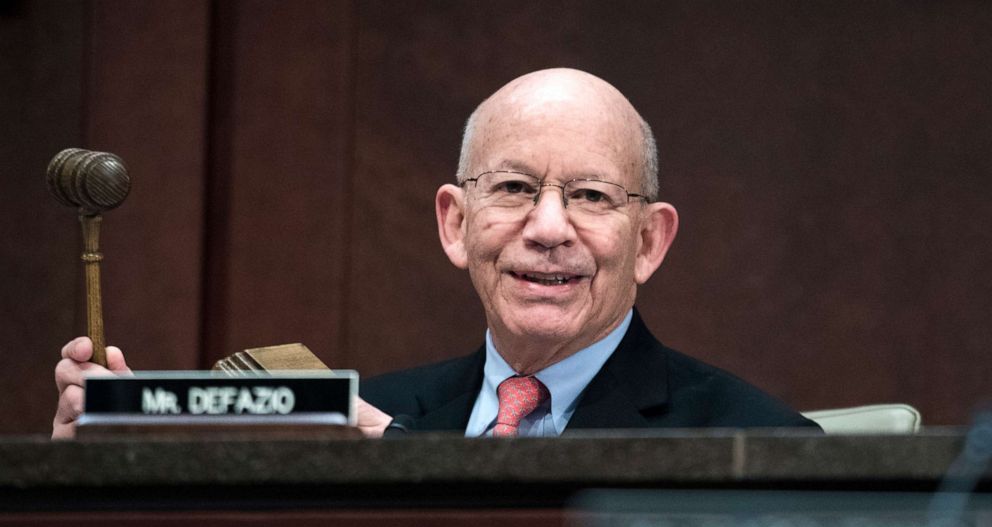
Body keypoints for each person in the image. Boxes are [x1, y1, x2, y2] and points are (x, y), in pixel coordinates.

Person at [53, 68, 817, 440]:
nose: (549, 227)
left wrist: (391, 458)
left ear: (649, 239)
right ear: (455, 223)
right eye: (515, 187)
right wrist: (95, 479)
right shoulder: (355, 418)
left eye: (590, 196)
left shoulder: (758, 445)